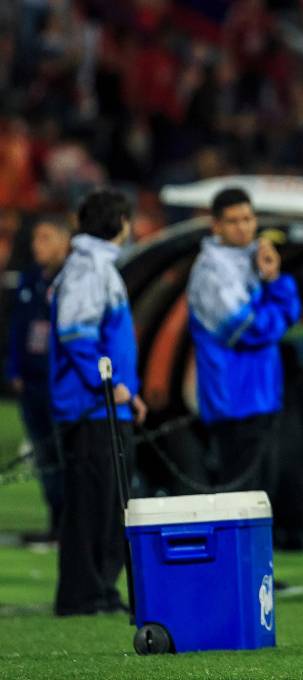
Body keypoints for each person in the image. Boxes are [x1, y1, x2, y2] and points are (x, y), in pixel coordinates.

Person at [50, 189, 147, 616]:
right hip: (90, 407)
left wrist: (128, 393)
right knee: (93, 505)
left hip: (104, 404)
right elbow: (76, 332)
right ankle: (84, 595)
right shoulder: (90, 268)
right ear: (121, 222)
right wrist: (108, 385)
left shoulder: (94, 265)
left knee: (105, 504)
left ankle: (98, 591)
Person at [187, 188, 300, 492]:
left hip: (261, 394)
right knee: (240, 496)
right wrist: (276, 311)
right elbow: (248, 330)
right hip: (232, 400)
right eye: (233, 221)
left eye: (248, 218)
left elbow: (289, 313)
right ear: (216, 226)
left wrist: (274, 278)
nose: (243, 227)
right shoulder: (211, 271)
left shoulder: (252, 261)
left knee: (264, 494)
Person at [7, 216, 71, 542]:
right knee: (45, 457)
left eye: (45, 238)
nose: (37, 246)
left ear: (64, 241)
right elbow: (17, 327)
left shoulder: (72, 279)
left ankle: (69, 524)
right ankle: (55, 521)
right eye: (35, 239)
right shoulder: (30, 279)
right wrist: (13, 369)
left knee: (64, 455)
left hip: (59, 383)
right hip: (32, 383)